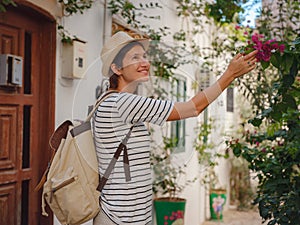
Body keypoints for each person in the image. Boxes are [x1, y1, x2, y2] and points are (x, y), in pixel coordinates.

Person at [93, 31, 257, 225]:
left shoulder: (115, 102)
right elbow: (193, 108)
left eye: (144, 56)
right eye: (135, 58)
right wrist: (229, 75)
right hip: (120, 218)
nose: (145, 62)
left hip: (128, 216)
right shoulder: (122, 103)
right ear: (117, 68)